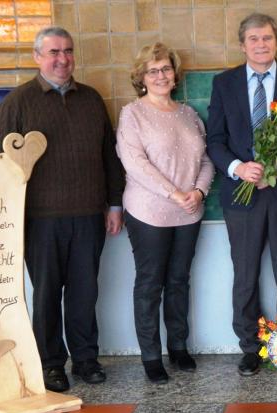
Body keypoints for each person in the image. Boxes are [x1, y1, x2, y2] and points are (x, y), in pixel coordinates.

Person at [0, 26, 125, 392]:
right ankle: (50, 364)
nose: (62, 59)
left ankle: (85, 359)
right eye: (53, 52)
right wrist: (8, 223)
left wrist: (114, 204)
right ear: (37, 57)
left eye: (67, 50)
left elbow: (109, 156)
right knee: (47, 294)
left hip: (88, 216)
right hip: (39, 221)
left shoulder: (92, 99)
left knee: (85, 292)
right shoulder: (17, 103)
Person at [206, 13, 277, 376]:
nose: (261, 44)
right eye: (254, 39)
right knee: (245, 274)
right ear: (242, 45)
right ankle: (251, 347)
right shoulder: (224, 83)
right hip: (240, 196)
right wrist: (238, 168)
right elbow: (215, 139)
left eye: (267, 38)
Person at [116, 43, 215, 384]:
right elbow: (135, 164)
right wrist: (175, 193)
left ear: (175, 74)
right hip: (149, 213)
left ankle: (178, 346)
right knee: (150, 283)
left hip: (189, 212)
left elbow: (205, 160)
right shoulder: (132, 114)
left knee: (178, 281)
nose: (160, 76)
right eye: (152, 71)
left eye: (166, 69)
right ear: (141, 77)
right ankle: (150, 355)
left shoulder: (188, 114)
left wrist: (198, 192)